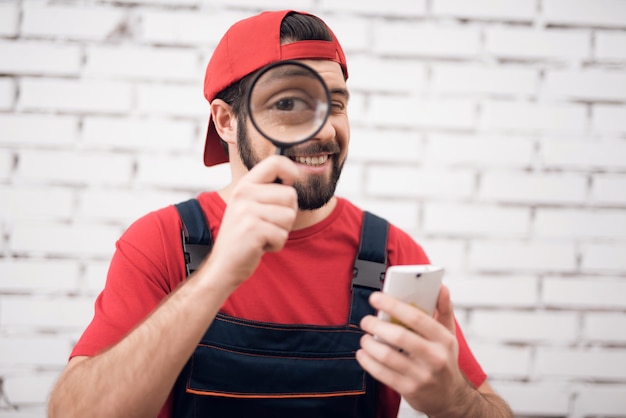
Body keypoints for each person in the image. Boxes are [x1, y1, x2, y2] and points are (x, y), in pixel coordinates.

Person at [48, 10, 513, 418]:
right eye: (289, 104)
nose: (327, 129)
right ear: (226, 121)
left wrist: (454, 402)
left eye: (336, 103)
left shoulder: (393, 255)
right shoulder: (161, 242)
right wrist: (216, 277)